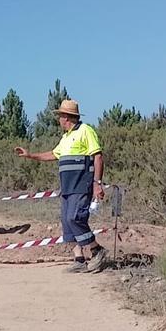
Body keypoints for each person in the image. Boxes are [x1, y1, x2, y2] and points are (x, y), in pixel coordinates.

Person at [15, 99, 109, 273]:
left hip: (82, 184)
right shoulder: (65, 138)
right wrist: (30, 155)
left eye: (60, 116)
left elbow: (98, 157)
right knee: (67, 222)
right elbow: (53, 154)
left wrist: (97, 183)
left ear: (67, 117)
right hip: (67, 187)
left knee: (75, 218)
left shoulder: (85, 131)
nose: (58, 119)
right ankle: (79, 259)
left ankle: (97, 251)